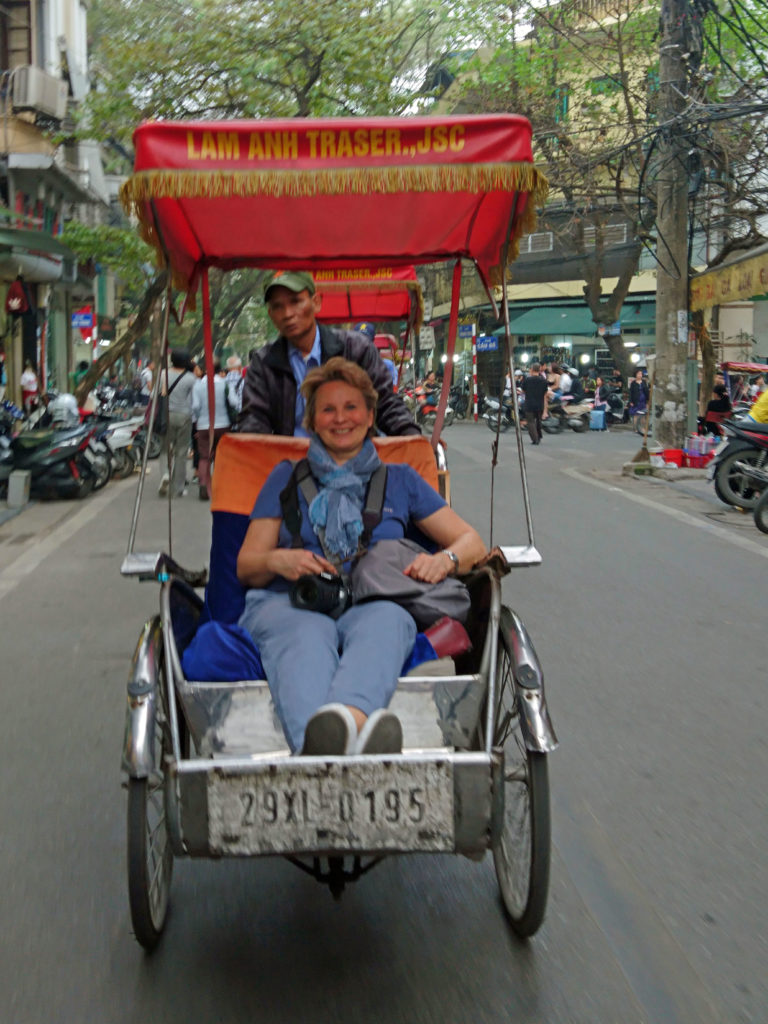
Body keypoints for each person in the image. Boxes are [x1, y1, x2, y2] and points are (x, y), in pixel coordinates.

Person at [236, 357, 486, 756]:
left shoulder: (400, 480)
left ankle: (344, 727)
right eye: (328, 409)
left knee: (389, 622)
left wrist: (445, 560)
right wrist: (278, 561)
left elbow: (471, 542)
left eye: (351, 407)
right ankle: (334, 748)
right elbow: (247, 564)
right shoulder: (284, 478)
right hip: (292, 601)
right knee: (306, 635)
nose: (340, 419)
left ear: (370, 416)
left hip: (372, 599)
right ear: (312, 421)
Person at [239, 271, 419, 437]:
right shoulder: (264, 363)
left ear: (316, 302)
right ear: (271, 314)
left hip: (353, 463)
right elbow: (254, 420)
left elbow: (386, 404)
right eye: (278, 306)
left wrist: (412, 437)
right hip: (290, 466)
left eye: (295, 301)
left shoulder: (356, 349)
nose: (287, 314)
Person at [191, 358, 231, 500]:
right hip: (223, 424)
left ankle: (203, 484)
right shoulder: (225, 383)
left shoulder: (198, 385)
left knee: (204, 457)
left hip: (203, 425)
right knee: (221, 456)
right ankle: (221, 486)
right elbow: (233, 402)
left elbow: (195, 406)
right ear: (220, 369)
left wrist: (197, 420)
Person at [158, 349, 195, 499]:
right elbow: (193, 400)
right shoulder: (191, 378)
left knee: (165, 450)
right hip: (184, 416)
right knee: (181, 452)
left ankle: (166, 474)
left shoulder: (163, 374)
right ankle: (178, 487)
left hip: (167, 415)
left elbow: (159, 394)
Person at [521, 361, 548, 444]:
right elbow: (545, 394)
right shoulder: (543, 381)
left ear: (532, 369)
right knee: (538, 421)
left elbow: (523, 390)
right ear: (539, 369)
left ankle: (535, 438)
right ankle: (539, 436)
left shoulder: (527, 380)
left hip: (529, 403)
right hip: (540, 404)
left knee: (531, 422)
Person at [628, 369, 650, 434]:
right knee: (636, 415)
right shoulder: (633, 383)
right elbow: (631, 393)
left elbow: (646, 391)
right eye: (638, 374)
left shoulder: (644, 382)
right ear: (636, 375)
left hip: (643, 400)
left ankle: (643, 428)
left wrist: (648, 400)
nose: (640, 375)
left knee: (643, 415)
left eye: (641, 374)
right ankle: (635, 428)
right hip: (636, 400)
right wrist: (631, 401)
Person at [225, 355, 244, 420]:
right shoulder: (244, 382)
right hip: (241, 420)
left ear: (227, 368)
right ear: (240, 367)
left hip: (226, 422)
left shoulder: (222, 382)